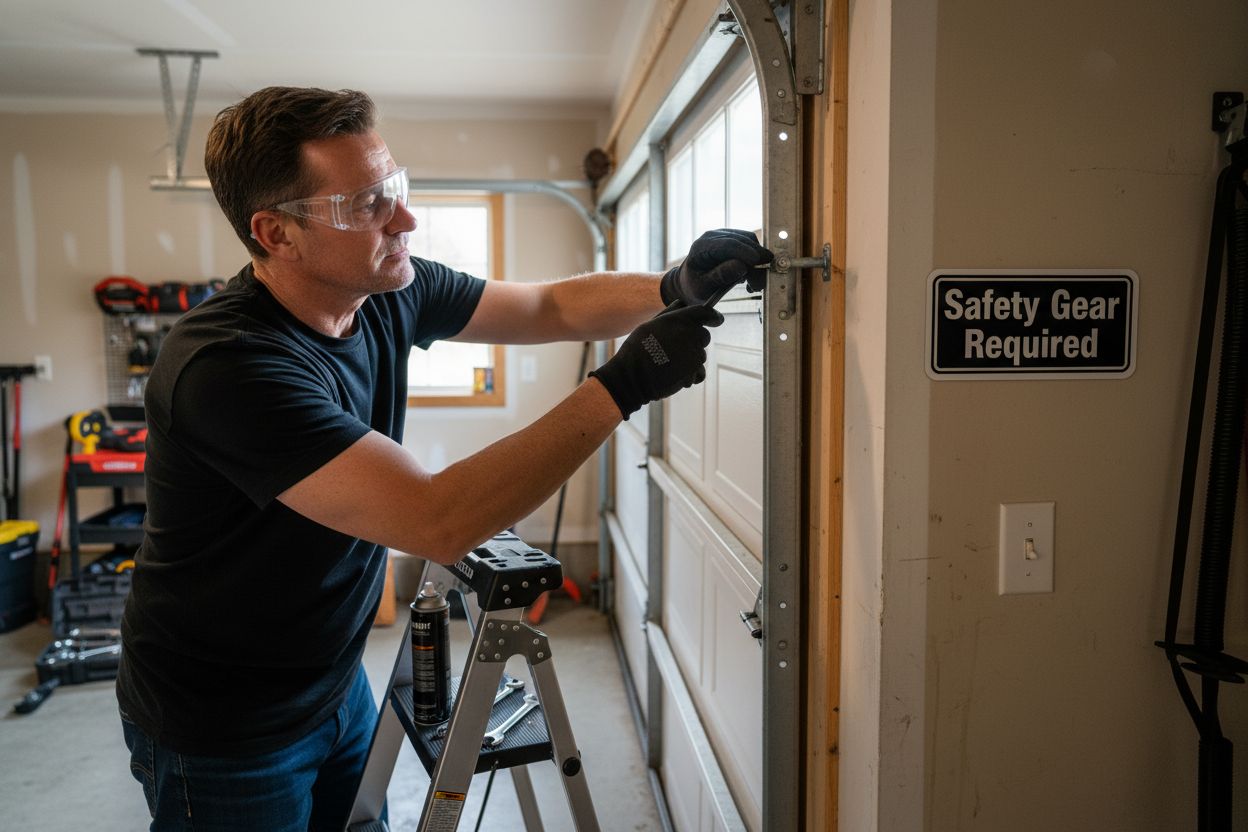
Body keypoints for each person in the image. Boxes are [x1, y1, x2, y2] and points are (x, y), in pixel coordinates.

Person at [115, 86, 771, 831]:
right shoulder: (231, 367)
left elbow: (546, 307)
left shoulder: (383, 288)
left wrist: (671, 286)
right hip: (223, 722)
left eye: (394, 188)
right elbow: (437, 517)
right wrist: (624, 384)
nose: (405, 219)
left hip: (332, 682)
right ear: (277, 234)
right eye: (366, 205)